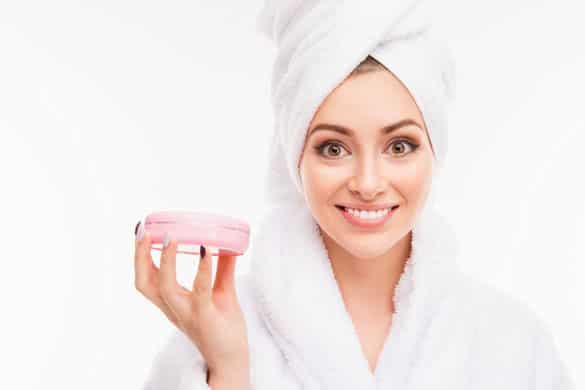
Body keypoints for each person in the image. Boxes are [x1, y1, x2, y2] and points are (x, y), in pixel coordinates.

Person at [134, 1, 575, 389]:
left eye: (399, 146)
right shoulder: (216, 334)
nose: (367, 183)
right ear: (294, 158)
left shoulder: (513, 346)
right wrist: (229, 372)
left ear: (434, 152)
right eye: (333, 148)